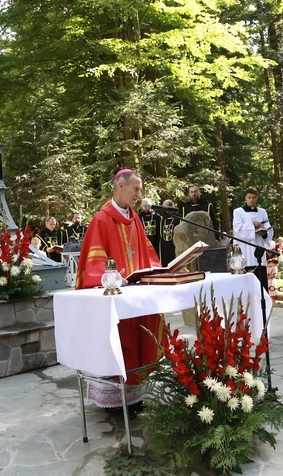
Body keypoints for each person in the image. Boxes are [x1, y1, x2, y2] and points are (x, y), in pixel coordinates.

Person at [76, 169, 165, 411]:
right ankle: (113, 402)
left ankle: (135, 397)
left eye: (140, 189)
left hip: (135, 295)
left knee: (138, 340)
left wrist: (156, 270)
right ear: (120, 187)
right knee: (118, 343)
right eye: (136, 188)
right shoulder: (101, 219)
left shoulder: (135, 218)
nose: (139, 193)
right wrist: (114, 278)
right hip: (114, 297)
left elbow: (147, 254)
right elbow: (93, 263)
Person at [232, 187, 274, 292]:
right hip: (244, 252)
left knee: (260, 286)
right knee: (244, 287)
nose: (251, 200)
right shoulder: (238, 212)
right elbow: (238, 229)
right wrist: (252, 224)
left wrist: (264, 233)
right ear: (245, 198)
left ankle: (262, 307)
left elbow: (268, 229)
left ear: (257, 198)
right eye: (249, 197)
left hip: (258, 252)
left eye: (254, 198)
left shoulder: (262, 212)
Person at [159, 198, 178, 265]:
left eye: (165, 207)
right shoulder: (162, 220)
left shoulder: (177, 220)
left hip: (174, 247)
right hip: (164, 249)